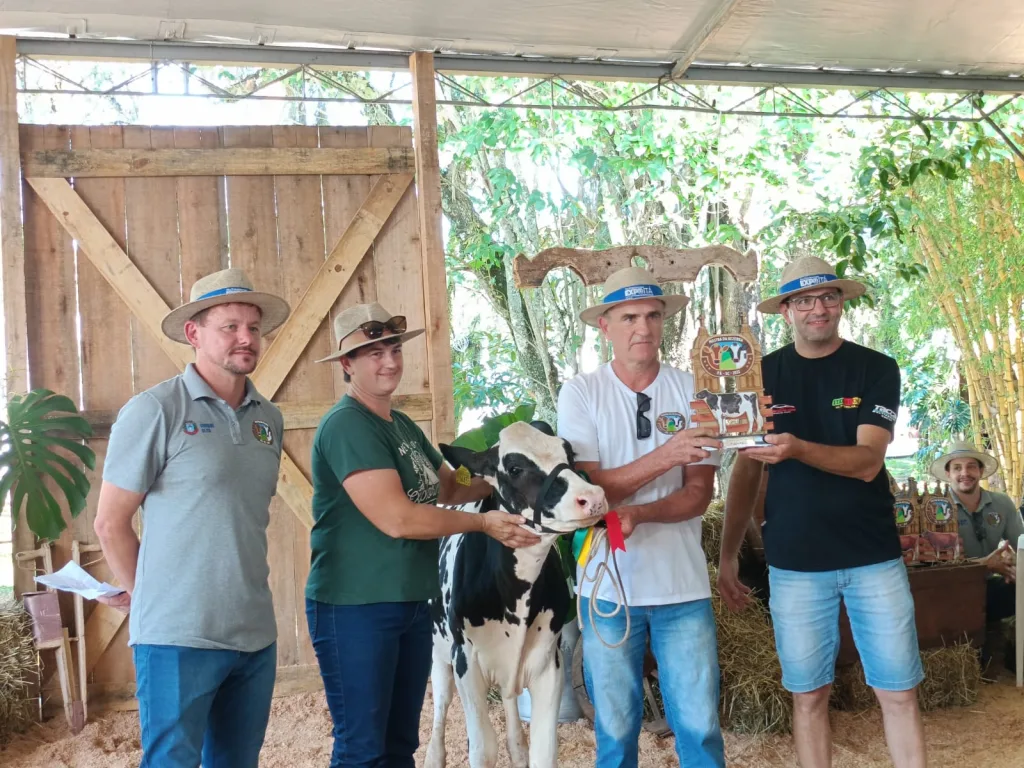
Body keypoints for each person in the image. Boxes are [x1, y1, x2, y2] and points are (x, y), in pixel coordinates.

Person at [305, 302, 541, 768]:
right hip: (355, 605)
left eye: (394, 349)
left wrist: (506, 474)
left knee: (399, 744)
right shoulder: (347, 424)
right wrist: (482, 523)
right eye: (374, 353)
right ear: (347, 364)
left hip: (411, 600)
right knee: (361, 747)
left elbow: (449, 486)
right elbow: (400, 518)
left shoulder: (402, 425)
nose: (390, 361)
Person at [718, 255, 926, 768]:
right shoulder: (762, 375)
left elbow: (867, 462)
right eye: (805, 300)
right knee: (808, 695)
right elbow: (745, 470)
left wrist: (795, 448)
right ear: (786, 311)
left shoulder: (876, 368)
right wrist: (727, 554)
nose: (818, 308)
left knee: (898, 692)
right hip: (795, 563)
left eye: (828, 297)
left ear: (841, 303)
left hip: (873, 558)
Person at [94, 268, 291, 768]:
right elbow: (110, 523)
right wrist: (147, 597)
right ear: (193, 333)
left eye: (253, 327)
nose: (246, 338)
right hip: (177, 640)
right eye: (230, 327)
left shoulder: (268, 419)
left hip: (254, 635)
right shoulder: (155, 410)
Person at [556, 266, 726, 768]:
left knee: (700, 728)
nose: (643, 328)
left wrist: (639, 513)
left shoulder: (696, 391)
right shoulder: (581, 393)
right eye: (629, 317)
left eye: (653, 315)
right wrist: (667, 455)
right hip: (606, 589)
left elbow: (698, 495)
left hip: (682, 588)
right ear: (604, 326)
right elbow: (587, 493)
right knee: (614, 730)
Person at [931, 440, 1022, 673]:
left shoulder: (1001, 503)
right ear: (948, 474)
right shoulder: (936, 509)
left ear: (981, 471)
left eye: (971, 466)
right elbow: (935, 566)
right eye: (957, 468)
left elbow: (1021, 544)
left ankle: (1011, 653)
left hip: (992, 587)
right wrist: (984, 565)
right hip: (953, 590)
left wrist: (1014, 565)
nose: (965, 473)